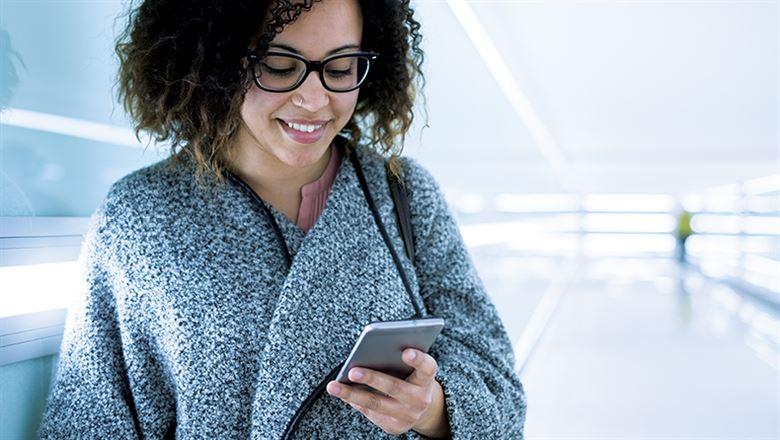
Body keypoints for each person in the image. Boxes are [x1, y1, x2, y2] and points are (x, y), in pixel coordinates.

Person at [38, 0, 527, 438]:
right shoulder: (140, 215)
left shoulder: (404, 193)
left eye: (340, 67)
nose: (314, 99)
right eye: (278, 65)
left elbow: (502, 397)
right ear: (215, 61)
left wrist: (432, 408)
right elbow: (88, 420)